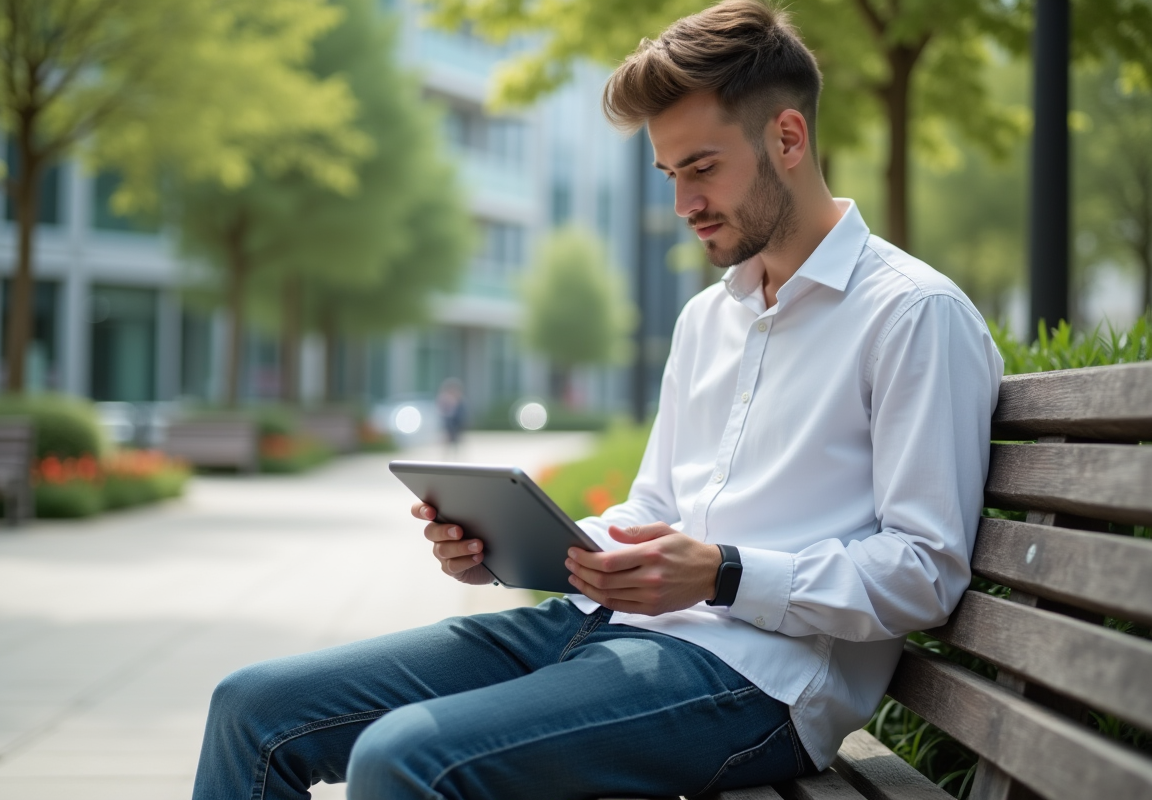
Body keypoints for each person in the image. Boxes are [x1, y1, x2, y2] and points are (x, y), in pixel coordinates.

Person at [191, 2, 1003, 798]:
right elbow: (655, 503)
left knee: (406, 759)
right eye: (669, 174)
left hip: (760, 680)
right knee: (252, 707)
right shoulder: (708, 318)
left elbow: (926, 570)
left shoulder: (912, 316)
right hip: (609, 628)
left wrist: (722, 574)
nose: (683, 204)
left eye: (702, 167)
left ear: (787, 137)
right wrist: (526, 550)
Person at [436, 377, 467, 454]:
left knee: (456, 443)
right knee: (448, 442)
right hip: (449, 424)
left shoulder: (459, 399)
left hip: (456, 424)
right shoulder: (446, 398)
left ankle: (455, 458)